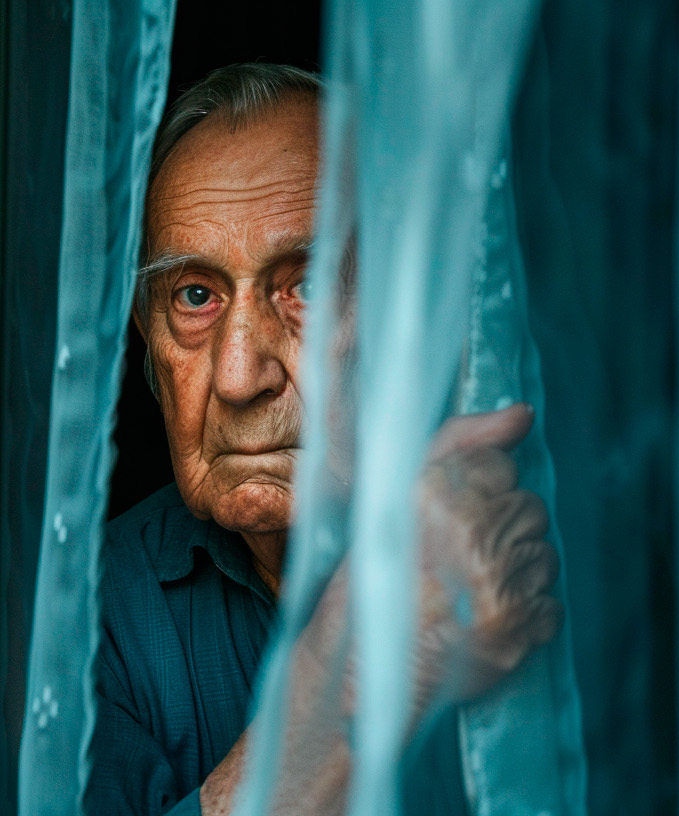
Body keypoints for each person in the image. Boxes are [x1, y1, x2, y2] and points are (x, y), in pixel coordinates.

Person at [87, 63, 562, 816]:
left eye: (305, 286)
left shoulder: (531, 551)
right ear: (148, 334)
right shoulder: (87, 617)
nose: (239, 377)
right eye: (196, 296)